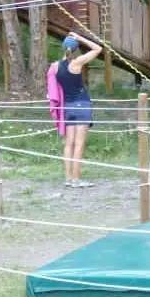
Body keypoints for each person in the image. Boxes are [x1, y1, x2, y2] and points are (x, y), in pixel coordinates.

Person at [53, 32, 103, 188]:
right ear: (75, 49)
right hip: (82, 105)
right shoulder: (77, 63)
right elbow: (98, 49)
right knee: (79, 144)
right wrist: (80, 38)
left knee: (69, 144)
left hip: (67, 106)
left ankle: (68, 178)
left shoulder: (55, 66)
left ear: (63, 48)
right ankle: (76, 179)